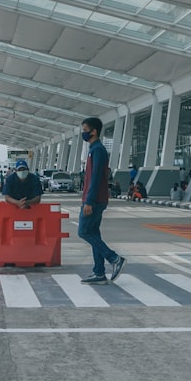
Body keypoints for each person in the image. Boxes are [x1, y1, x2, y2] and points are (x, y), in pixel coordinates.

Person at [78, 116, 125, 285]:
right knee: (94, 233)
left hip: (94, 200)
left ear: (94, 131)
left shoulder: (97, 150)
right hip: (96, 198)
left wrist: (89, 201)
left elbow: (96, 177)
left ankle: (114, 259)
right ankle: (99, 273)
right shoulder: (94, 149)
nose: (83, 133)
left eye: (85, 130)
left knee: (83, 231)